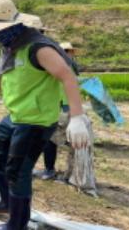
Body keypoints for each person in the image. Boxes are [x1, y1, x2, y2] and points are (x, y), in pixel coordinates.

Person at [0, 0, 90, 230]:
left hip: (36, 120)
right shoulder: (9, 49)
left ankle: (17, 224)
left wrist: (77, 116)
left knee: (18, 171)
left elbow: (67, 76)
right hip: (15, 115)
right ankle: (7, 201)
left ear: (14, 26)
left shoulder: (38, 47)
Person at [34, 42, 79, 180]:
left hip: (64, 108)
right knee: (67, 141)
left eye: (67, 50)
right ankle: (70, 173)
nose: (64, 52)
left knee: (52, 140)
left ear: (71, 52)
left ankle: (51, 170)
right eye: (62, 50)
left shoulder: (63, 66)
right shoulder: (72, 66)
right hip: (63, 107)